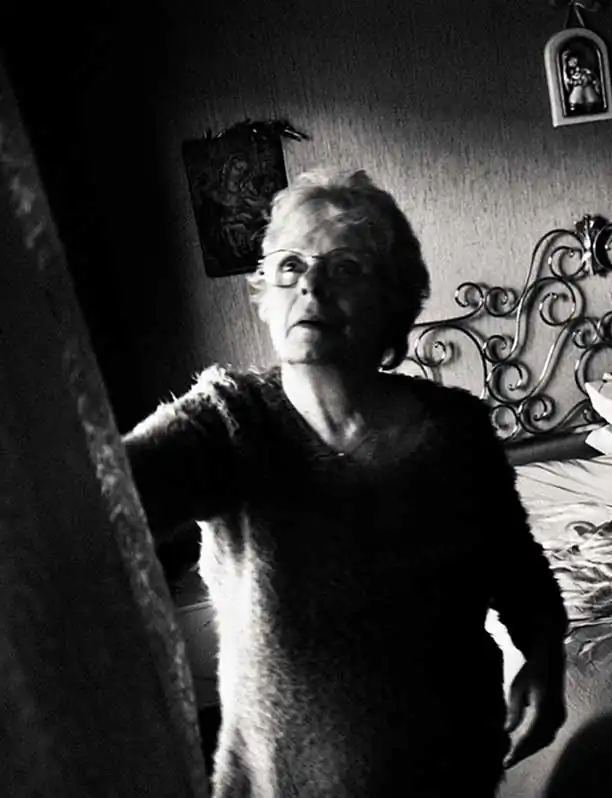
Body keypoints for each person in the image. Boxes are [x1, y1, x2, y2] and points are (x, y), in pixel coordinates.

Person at [122, 169, 568, 796]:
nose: (311, 284)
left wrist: (545, 656)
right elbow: (96, 504)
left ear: (393, 301)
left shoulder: (457, 430)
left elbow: (516, 569)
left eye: (346, 267)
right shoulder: (227, 422)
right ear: (266, 297)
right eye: (289, 267)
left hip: (454, 772)